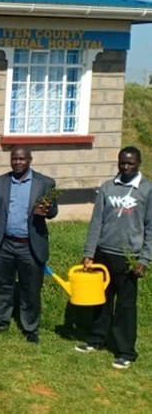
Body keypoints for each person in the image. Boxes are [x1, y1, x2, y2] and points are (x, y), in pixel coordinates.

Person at [76, 146, 152, 369]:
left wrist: (144, 259)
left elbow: (150, 227)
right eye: (122, 163)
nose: (126, 167)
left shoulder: (147, 190)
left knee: (126, 306)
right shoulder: (108, 188)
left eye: (130, 163)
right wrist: (89, 253)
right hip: (104, 254)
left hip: (129, 257)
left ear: (139, 163)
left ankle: (126, 351)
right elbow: (96, 223)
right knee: (101, 300)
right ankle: (96, 339)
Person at [0, 146, 57, 343]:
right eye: (14, 159)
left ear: (30, 160)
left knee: (31, 288)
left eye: (22, 159)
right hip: (5, 244)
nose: (18, 162)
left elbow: (53, 212)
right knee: (1, 285)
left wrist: (46, 211)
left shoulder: (45, 183)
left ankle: (30, 328)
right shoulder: (0, 183)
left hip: (30, 245)